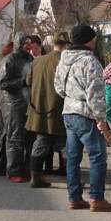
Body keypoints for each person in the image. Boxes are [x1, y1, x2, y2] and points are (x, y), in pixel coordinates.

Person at [54, 24, 111, 212]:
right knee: (98, 155)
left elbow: (58, 87)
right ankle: (97, 198)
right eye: (93, 38)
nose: (95, 41)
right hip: (86, 113)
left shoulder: (64, 59)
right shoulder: (90, 61)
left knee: (73, 157)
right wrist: (101, 119)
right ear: (88, 40)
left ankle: (74, 197)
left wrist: (71, 96)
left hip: (68, 111)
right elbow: (96, 94)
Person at [26, 31, 70, 188]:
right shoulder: (66, 62)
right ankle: (72, 180)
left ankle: (35, 177)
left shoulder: (38, 61)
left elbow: (28, 81)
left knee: (40, 143)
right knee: (66, 145)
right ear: (67, 45)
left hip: (38, 108)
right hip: (60, 109)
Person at [0, 34, 34, 183]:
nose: (29, 45)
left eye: (30, 43)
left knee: (29, 138)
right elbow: (3, 84)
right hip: (12, 104)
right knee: (15, 137)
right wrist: (23, 82)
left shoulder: (30, 59)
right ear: (18, 44)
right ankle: (13, 170)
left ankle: (26, 169)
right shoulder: (9, 60)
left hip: (27, 103)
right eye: (25, 43)